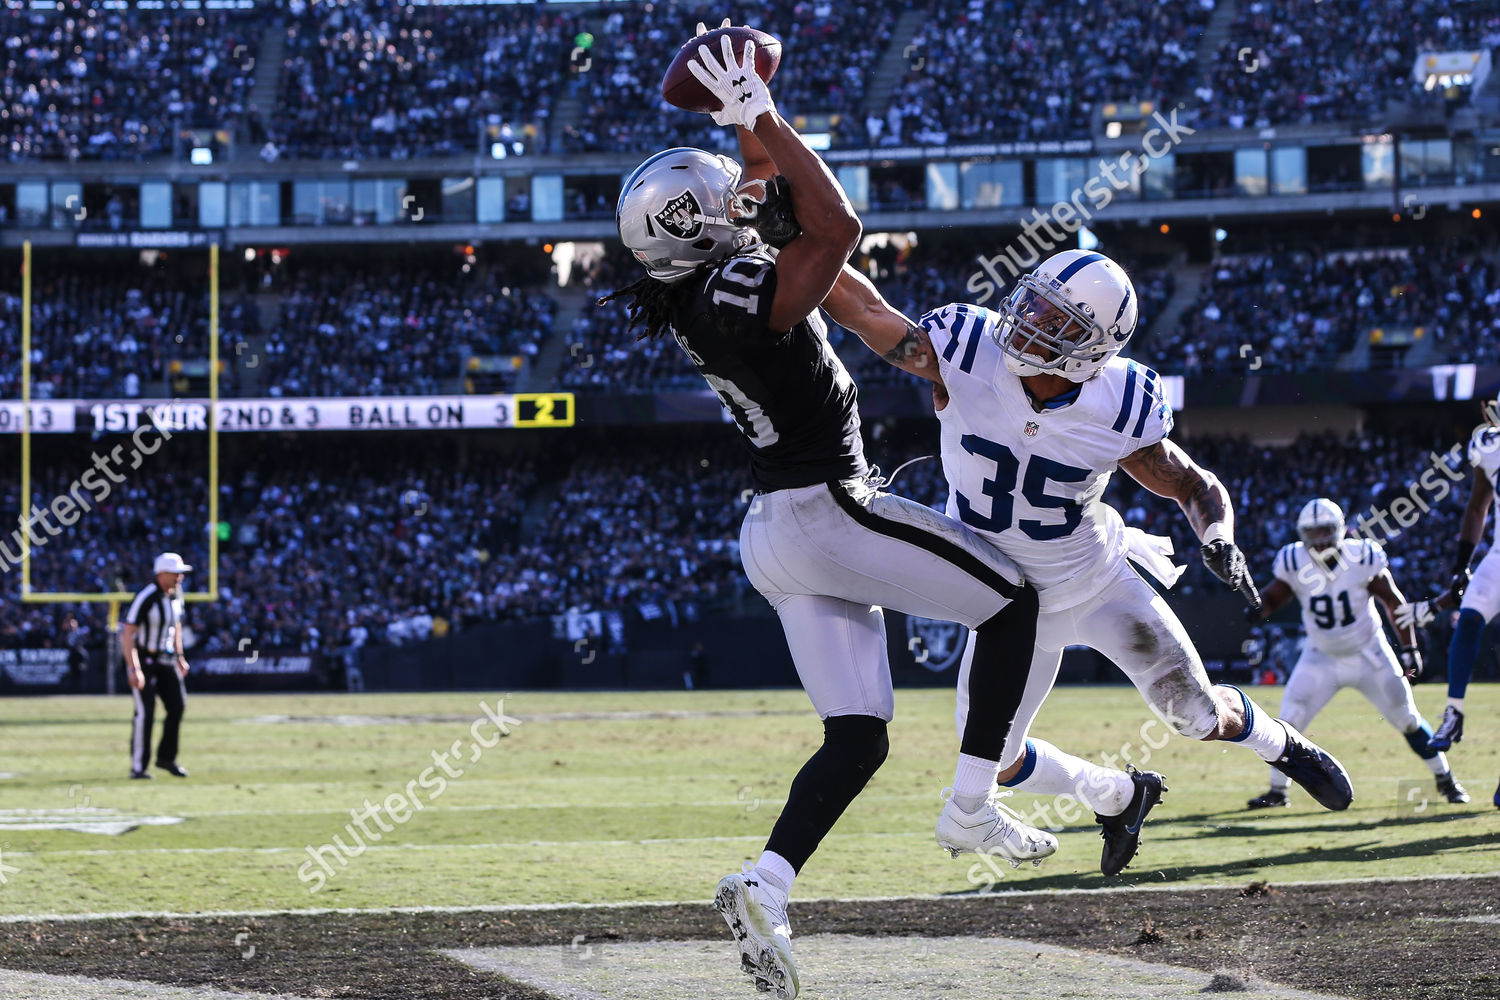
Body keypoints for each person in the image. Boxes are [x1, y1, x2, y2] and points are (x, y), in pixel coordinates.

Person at [604, 30, 1053, 1000]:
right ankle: (974, 803)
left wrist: (749, 121)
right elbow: (835, 227)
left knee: (859, 735)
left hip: (777, 530)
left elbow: (766, 196)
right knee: (1013, 600)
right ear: (694, 227)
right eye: (719, 194)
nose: (739, 195)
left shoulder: (693, 286)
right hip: (825, 506)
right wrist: (760, 115)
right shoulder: (733, 289)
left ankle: (764, 885)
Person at [822, 248, 1356, 828]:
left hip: (1095, 585)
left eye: (1057, 322)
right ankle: (1117, 795)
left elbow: (1193, 485)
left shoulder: (1119, 403)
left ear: (1095, 349)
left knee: (1198, 717)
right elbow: (868, 313)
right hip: (1003, 603)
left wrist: (1219, 535)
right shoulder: (968, 348)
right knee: (993, 759)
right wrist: (796, 246)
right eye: (1034, 303)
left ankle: (1279, 743)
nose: (1029, 322)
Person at [1245, 499, 1467, 807]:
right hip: (1320, 655)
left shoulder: (1362, 555)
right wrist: (1258, 606)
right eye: (1313, 532)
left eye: (1326, 531)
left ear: (1340, 530)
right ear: (1302, 534)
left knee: (1408, 718)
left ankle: (1446, 779)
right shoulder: (1294, 560)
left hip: (1369, 653)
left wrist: (1409, 647)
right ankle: (1277, 792)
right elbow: (1274, 595)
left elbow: (1393, 602)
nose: (1320, 539)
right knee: (1287, 722)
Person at [1396, 404, 1500, 808]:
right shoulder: (1488, 445)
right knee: (1470, 618)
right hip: (1498, 555)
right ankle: (1453, 711)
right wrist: (1461, 567)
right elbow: (1477, 506)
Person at [123, 552, 193, 779]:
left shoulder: (176, 596)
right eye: (176, 573)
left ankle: (166, 758)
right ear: (162, 574)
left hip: (167, 659)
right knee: (146, 713)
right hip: (145, 659)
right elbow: (128, 633)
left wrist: (180, 656)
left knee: (178, 706)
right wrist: (134, 668)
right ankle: (138, 767)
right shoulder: (147, 597)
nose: (180, 577)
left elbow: (176, 628)